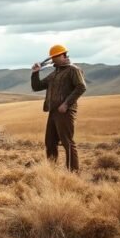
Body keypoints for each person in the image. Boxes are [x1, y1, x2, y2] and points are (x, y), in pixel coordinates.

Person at [31, 44, 86, 172]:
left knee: (68, 142)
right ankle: (51, 171)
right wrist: (35, 73)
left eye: (55, 57)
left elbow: (81, 87)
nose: (52, 60)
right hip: (53, 111)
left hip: (65, 111)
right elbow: (37, 86)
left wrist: (66, 104)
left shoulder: (73, 70)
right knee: (50, 142)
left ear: (63, 55)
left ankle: (73, 173)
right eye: (52, 57)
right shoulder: (55, 73)